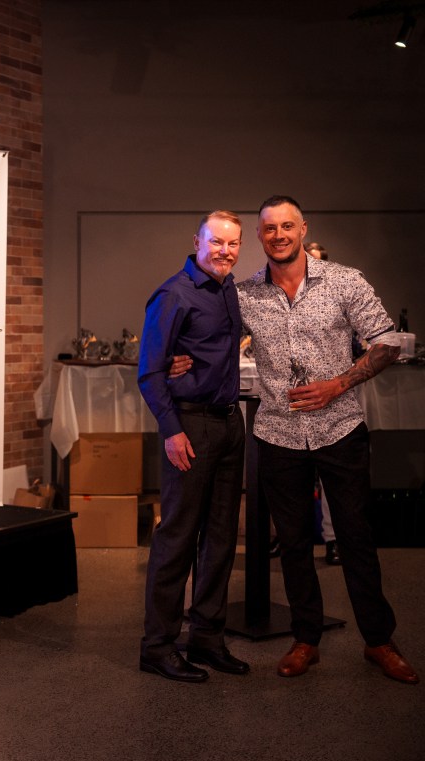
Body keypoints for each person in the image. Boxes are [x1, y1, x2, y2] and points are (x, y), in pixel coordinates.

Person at [239, 195, 418, 684]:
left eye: (287, 226)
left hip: (340, 429)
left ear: (303, 229)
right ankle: (306, 639)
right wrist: (180, 358)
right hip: (278, 433)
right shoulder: (245, 295)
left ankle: (379, 641)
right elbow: (212, 341)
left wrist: (338, 384)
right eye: (270, 228)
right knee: (293, 542)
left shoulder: (344, 280)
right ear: (260, 236)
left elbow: (387, 340)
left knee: (356, 537)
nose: (279, 235)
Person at [136, 211, 249, 683]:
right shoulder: (174, 294)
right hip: (191, 426)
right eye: (216, 241)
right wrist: (172, 430)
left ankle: (206, 637)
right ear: (197, 241)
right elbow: (149, 372)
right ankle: (158, 646)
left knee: (221, 539)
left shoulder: (229, 289)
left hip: (228, 424)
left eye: (233, 243)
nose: (225, 250)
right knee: (178, 538)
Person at [304, 241, 342, 566]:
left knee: (331, 479)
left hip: (331, 402)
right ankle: (285, 537)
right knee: (291, 478)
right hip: (292, 404)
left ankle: (332, 539)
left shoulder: (335, 296)